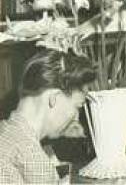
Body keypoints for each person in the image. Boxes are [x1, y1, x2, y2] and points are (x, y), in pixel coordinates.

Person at [0, 48, 96, 183]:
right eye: (76, 106)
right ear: (54, 98)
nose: (75, 118)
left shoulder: (7, 134)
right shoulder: (31, 157)